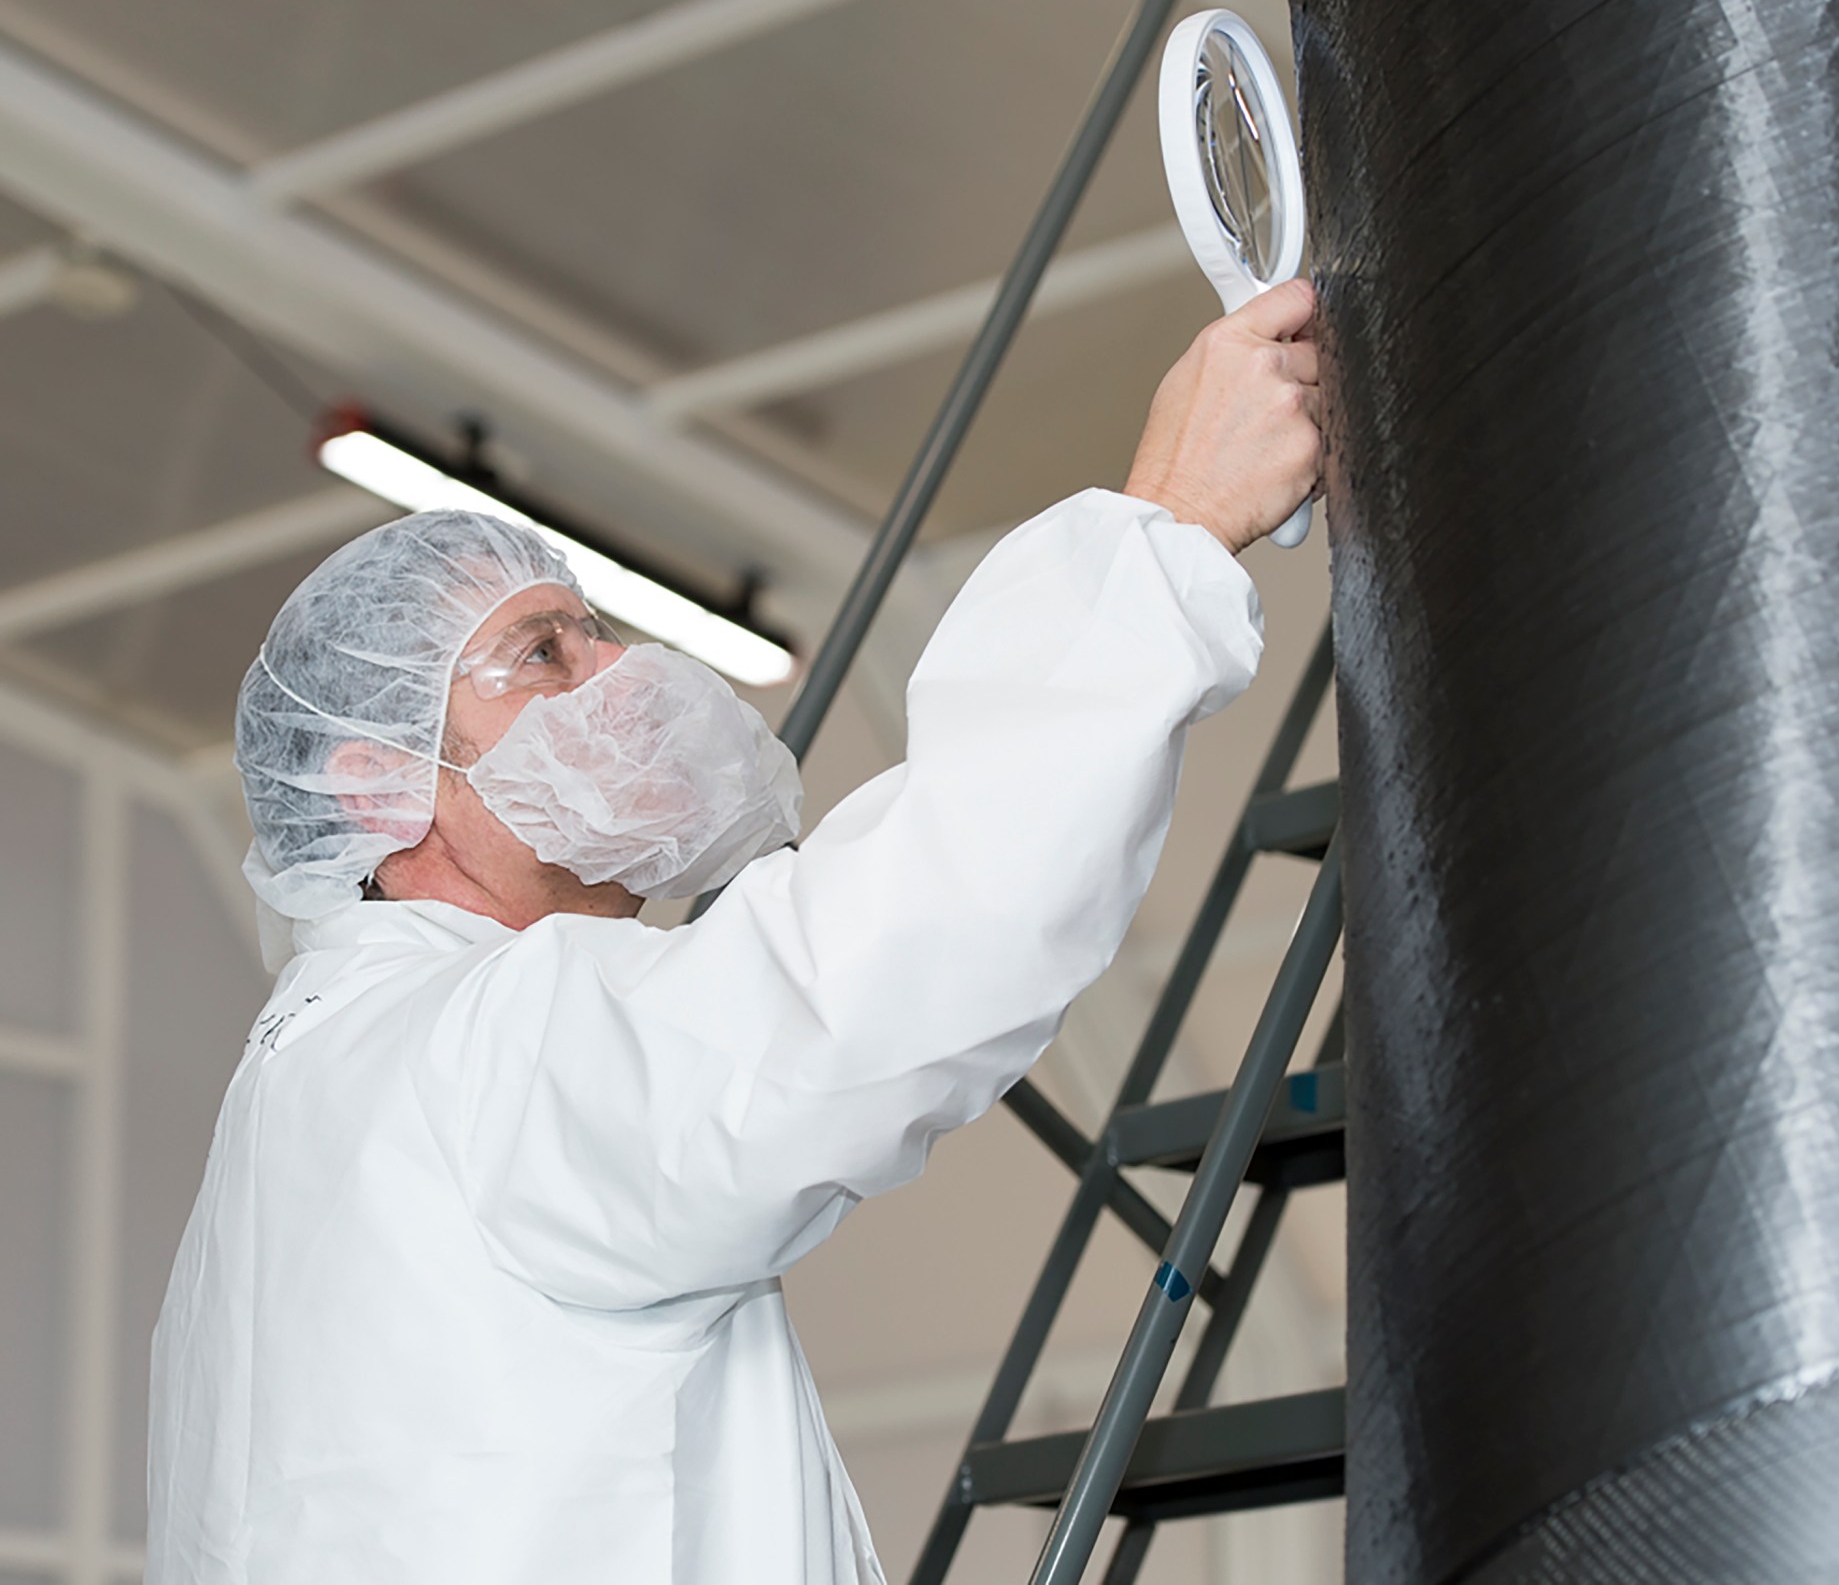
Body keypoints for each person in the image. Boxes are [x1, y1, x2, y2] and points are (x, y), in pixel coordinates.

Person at [145, 280, 1322, 1584]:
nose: (619, 678)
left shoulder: (303, 1117)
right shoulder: (469, 1053)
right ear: (376, 786)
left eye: (603, 633)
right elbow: (876, 972)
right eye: (546, 654)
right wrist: (1165, 529)